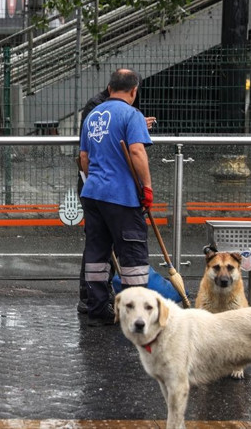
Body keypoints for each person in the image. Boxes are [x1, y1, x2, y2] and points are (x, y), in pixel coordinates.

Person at [78, 69, 153, 325]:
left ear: (110, 88)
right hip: (121, 196)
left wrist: (97, 180)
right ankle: (135, 315)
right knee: (132, 256)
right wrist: (147, 187)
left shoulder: (92, 116)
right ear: (134, 91)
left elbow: (84, 158)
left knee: (97, 254)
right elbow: (137, 151)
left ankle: (98, 310)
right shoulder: (132, 115)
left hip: (93, 194)